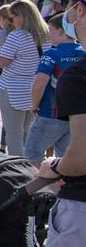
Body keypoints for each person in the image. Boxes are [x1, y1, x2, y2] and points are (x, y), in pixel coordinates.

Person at [36, 0, 86, 247]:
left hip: (82, 207)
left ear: (79, 11)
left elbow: (80, 159)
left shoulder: (79, 76)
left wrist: (52, 166)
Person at [0, 0, 50, 157]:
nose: (11, 20)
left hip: (13, 88)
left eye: (12, 16)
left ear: (21, 16)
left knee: (14, 134)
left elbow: (1, 62)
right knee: (26, 132)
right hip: (33, 88)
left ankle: (17, 169)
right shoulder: (45, 35)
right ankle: (29, 164)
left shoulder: (18, 35)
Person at [26, 13, 83, 161]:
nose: (48, 35)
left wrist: (34, 105)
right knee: (64, 160)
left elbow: (39, 84)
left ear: (61, 31)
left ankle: (43, 185)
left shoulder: (51, 54)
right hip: (76, 117)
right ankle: (61, 184)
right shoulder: (83, 52)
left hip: (50, 113)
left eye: (50, 30)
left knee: (31, 155)